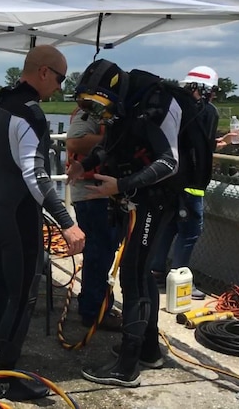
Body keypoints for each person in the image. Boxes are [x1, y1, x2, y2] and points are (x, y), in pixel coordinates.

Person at [67, 58, 182, 388]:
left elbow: (170, 162)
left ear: (113, 93)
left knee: (132, 274)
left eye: (99, 105)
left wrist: (122, 186)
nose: (98, 113)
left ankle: (127, 366)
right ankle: (148, 349)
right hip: (137, 198)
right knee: (140, 273)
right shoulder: (123, 109)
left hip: (156, 200)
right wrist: (83, 165)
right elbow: (109, 147)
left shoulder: (157, 105)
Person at [0, 44, 86, 401]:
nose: (60, 87)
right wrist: (66, 222)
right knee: (23, 294)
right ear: (43, 72)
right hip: (16, 217)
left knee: (1, 288)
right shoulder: (30, 114)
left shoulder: (0, 104)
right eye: (60, 78)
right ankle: (6, 378)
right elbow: (36, 175)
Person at [150, 66, 237, 298]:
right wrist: (224, 142)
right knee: (190, 231)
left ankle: (156, 273)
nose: (214, 95)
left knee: (169, 226)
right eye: (213, 90)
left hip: (168, 179)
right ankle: (179, 281)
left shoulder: (173, 107)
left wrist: (222, 141)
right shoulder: (207, 112)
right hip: (192, 184)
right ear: (203, 89)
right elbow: (202, 147)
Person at [66, 108, 122, 330]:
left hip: (103, 194)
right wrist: (118, 140)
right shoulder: (88, 112)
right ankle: (93, 311)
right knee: (98, 252)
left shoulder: (108, 113)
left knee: (102, 252)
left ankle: (96, 305)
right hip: (92, 195)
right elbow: (74, 142)